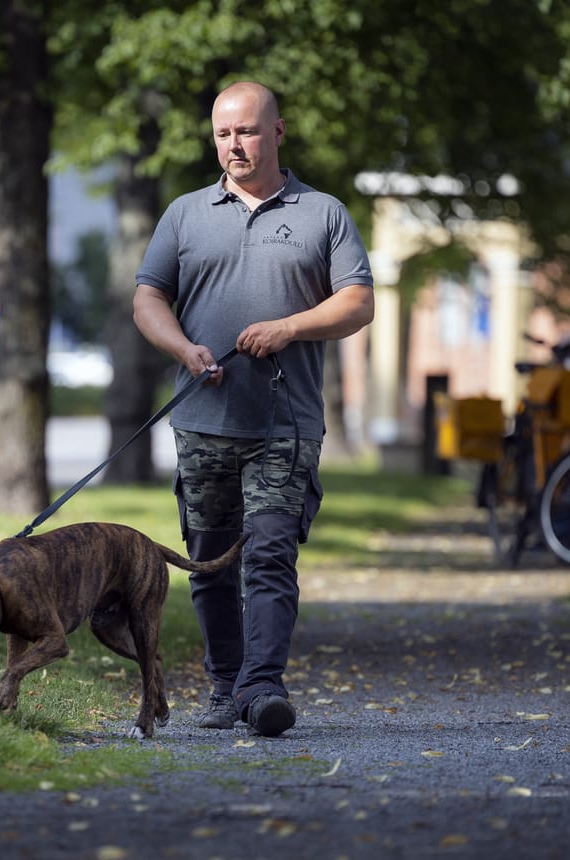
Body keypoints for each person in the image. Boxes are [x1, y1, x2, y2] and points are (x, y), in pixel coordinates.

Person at [133, 81, 375, 737]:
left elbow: (357, 302)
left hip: (283, 424)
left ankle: (262, 689)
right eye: (222, 134)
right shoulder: (185, 214)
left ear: (277, 132)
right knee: (210, 562)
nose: (233, 145)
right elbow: (147, 299)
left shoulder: (323, 213)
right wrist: (183, 348)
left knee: (269, 554)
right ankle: (223, 687)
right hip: (202, 422)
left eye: (245, 131)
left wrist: (291, 328)